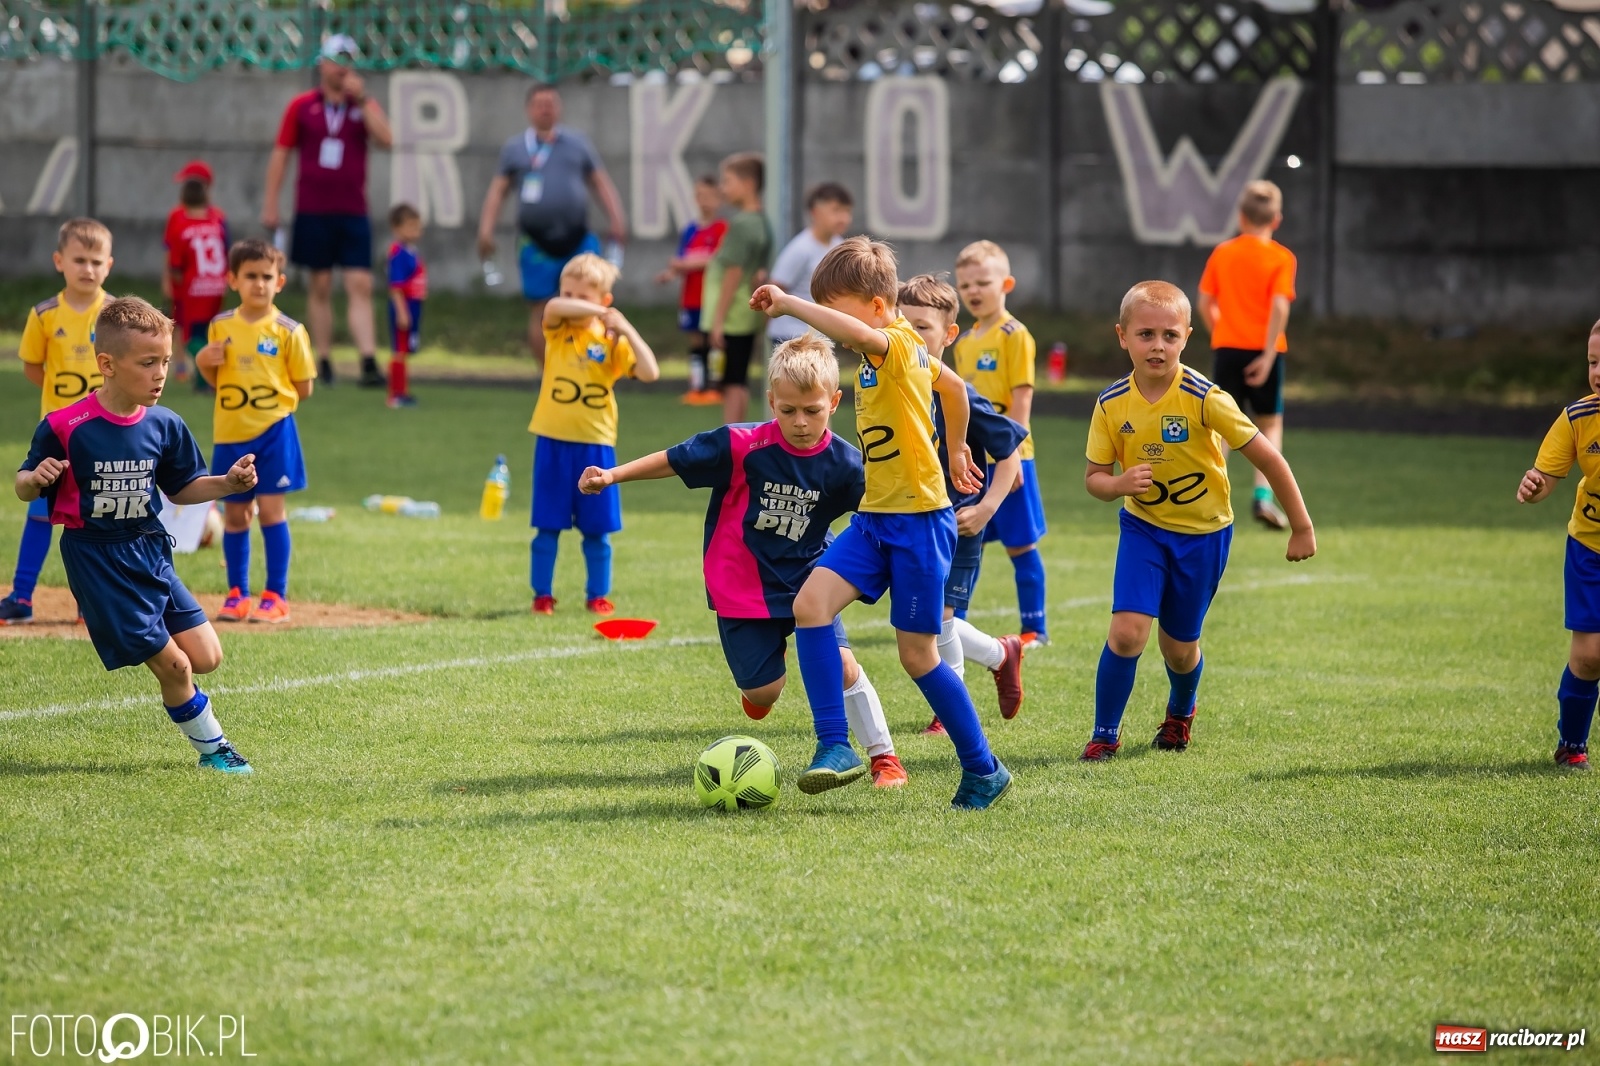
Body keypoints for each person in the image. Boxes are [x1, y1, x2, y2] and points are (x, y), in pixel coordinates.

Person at [749, 236, 1014, 810]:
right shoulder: (887, 356)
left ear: (874, 305)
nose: (833, 332)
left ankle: (984, 768)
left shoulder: (892, 341)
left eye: (839, 313)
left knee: (918, 656)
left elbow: (870, 339)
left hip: (919, 524)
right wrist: (958, 447)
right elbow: (953, 388)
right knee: (810, 606)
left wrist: (791, 304)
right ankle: (835, 746)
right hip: (875, 519)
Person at [578, 333, 908, 788]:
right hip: (742, 585)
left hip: (811, 577)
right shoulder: (740, 445)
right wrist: (612, 475)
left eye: (812, 410)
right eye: (787, 410)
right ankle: (762, 686)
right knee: (763, 692)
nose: (799, 422)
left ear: (834, 402)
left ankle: (884, 759)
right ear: (771, 401)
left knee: (842, 663)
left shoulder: (847, 465)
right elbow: (674, 460)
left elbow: (885, 508)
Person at [15, 296, 258, 773]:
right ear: (107, 364)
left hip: (148, 550)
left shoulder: (165, 424)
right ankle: (215, 752)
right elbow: (24, 487)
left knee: (207, 656)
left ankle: (156, 648)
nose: (161, 373)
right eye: (148, 363)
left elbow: (184, 487)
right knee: (177, 667)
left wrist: (227, 484)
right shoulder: (66, 426)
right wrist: (34, 478)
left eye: (165, 361)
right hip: (96, 559)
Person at [1080, 281, 1315, 762]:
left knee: (1178, 649)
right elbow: (1094, 479)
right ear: (1122, 336)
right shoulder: (1110, 404)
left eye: (1169, 335)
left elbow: (1270, 460)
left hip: (1204, 536)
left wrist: (1301, 526)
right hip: (1144, 529)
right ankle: (1104, 734)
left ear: (1188, 335)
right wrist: (1120, 485)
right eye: (1145, 334)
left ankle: (1181, 709)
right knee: (1127, 631)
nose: (1158, 345)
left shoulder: (1206, 397)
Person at [897, 274, 1027, 734]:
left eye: (924, 328)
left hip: (960, 524)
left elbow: (1011, 456)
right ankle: (1001, 653)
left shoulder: (960, 395)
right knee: (931, 620)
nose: (912, 337)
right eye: (903, 326)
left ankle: (947, 712)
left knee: (940, 620)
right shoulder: (894, 386)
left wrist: (986, 509)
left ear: (949, 335)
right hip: (910, 523)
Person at [528, 253, 658, 616]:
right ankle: (542, 595)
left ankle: (597, 595)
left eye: (582, 295)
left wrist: (626, 328)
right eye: (567, 290)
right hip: (552, 441)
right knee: (547, 526)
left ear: (604, 301)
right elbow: (554, 305)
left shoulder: (612, 341)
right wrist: (587, 307)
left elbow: (650, 372)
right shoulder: (558, 327)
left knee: (597, 530)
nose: (570, 299)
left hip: (595, 445)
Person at [196, 239, 317, 625]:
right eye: (250, 276)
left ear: (280, 281)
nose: (259, 284)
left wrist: (273, 405)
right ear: (233, 279)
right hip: (231, 434)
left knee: (270, 512)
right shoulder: (220, 326)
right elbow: (214, 379)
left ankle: (275, 595)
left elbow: (304, 386)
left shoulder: (289, 330)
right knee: (235, 516)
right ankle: (236, 593)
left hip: (274, 433)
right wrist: (202, 361)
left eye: (267, 277)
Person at [262, 33, 393, 389]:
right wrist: (271, 202)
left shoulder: (362, 105)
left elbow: (387, 139)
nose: (342, 68)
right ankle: (323, 357)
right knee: (320, 284)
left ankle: (367, 359)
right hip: (313, 209)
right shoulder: (303, 106)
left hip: (352, 209)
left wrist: (363, 99)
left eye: (348, 60)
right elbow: (281, 154)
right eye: (336, 60)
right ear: (323, 64)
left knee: (360, 283)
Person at [0, 218, 112, 626]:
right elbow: (33, 366)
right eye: (78, 260)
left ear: (109, 265)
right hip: (57, 430)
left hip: (103, 433)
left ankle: (89, 601)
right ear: (58, 261)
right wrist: (60, 406)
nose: (88, 269)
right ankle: (22, 597)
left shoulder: (115, 314)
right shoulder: (45, 314)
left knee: (92, 516)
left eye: (96, 261)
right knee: (39, 513)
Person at [476, 84, 627, 363]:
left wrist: (617, 219)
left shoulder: (578, 143)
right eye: (539, 104)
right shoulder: (515, 148)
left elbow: (600, 182)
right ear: (529, 110)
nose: (545, 109)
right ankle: (547, 377)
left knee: (590, 303)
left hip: (578, 238)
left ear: (559, 108)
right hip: (536, 243)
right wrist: (486, 229)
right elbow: (498, 191)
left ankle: (591, 367)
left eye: (551, 103)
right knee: (542, 309)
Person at [953, 240, 1049, 648]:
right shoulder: (964, 340)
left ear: (1005, 283)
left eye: (983, 282)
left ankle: (1035, 630)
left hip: (1012, 460)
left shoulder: (1015, 335)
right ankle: (955, 623)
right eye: (965, 285)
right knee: (967, 542)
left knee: (1020, 546)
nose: (973, 291)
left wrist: (1014, 454)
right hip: (977, 462)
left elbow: (1021, 397)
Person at [1513, 320, 1600, 771]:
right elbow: (1547, 476)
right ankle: (1572, 743)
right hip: (1591, 548)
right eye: (1592, 361)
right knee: (1588, 658)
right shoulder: (1578, 416)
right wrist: (1535, 486)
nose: (1598, 371)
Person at [1198, 179, 1297, 531]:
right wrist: (1269, 355)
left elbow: (1205, 301)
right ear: (1276, 220)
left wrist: (1221, 332)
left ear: (1241, 217)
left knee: (1221, 426)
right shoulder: (1281, 258)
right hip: (1264, 350)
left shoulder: (1223, 253)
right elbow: (1280, 308)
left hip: (1228, 348)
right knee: (1269, 423)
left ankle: (1211, 494)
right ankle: (1262, 497)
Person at [703, 152, 773, 426]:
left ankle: (732, 436)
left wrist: (718, 321)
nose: (722, 187)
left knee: (732, 381)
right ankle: (738, 432)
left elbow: (733, 274)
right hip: (744, 316)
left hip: (733, 318)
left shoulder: (743, 224)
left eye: (727, 180)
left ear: (748, 184)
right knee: (738, 378)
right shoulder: (759, 221)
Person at [655, 174, 727, 406]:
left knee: (714, 342)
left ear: (719, 199)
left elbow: (715, 259)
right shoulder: (690, 230)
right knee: (696, 343)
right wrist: (670, 274)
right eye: (699, 196)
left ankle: (716, 387)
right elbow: (682, 260)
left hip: (711, 298)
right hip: (691, 298)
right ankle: (697, 387)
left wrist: (682, 264)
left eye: (709, 196)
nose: (704, 201)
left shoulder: (722, 229)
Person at [161, 159, 227, 392]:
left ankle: (208, 375)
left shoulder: (181, 222)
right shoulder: (217, 219)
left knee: (191, 335)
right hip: (217, 284)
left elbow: (174, 262)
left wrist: (172, 284)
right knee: (208, 330)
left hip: (193, 287)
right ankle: (201, 378)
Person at [764, 182, 853, 348]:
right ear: (815, 212)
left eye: (847, 211)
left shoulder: (839, 246)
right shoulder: (800, 249)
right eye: (836, 210)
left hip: (819, 335)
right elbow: (775, 288)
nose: (844, 218)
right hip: (790, 337)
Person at [385, 202, 426, 409]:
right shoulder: (399, 254)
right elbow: (395, 287)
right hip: (405, 308)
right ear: (397, 228)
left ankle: (403, 391)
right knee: (399, 351)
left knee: (405, 350)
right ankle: (395, 394)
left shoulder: (411, 251)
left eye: (417, 226)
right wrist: (402, 312)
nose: (415, 231)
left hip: (413, 308)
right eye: (410, 226)